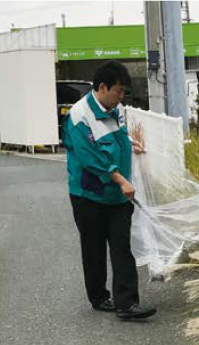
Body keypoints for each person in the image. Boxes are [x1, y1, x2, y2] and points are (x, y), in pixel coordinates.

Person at [62, 60, 157, 320]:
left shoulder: (114, 109)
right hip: (88, 195)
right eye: (119, 91)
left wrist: (130, 143)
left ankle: (127, 304)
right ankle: (99, 296)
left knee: (121, 246)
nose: (121, 96)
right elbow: (88, 157)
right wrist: (120, 179)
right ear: (102, 87)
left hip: (116, 196)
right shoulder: (79, 116)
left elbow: (115, 137)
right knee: (93, 248)